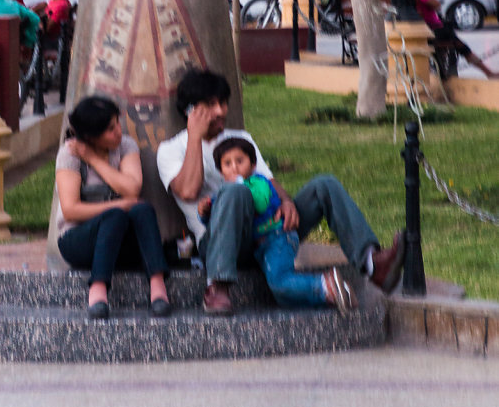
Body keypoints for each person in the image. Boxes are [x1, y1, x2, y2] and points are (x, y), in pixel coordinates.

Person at [156, 68, 405, 315]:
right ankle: (219, 287)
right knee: (236, 192)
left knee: (324, 185)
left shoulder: (239, 138)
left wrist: (286, 202)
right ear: (191, 111)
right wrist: (195, 137)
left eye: (223, 102)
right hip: (223, 247)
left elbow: (267, 180)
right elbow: (188, 190)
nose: (221, 111)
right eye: (211, 105)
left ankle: (373, 264)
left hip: (270, 233)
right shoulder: (170, 150)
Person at [198, 137, 356, 315]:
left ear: (253, 165)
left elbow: (261, 202)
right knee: (281, 291)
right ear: (221, 171)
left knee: (279, 281)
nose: (234, 167)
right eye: (227, 164)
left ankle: (332, 281)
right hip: (244, 246)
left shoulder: (259, 182)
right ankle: (328, 289)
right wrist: (204, 211)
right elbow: (217, 221)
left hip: (276, 240)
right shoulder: (224, 191)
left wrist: (240, 185)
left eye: (240, 161)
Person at [55, 95, 171, 319]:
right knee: (115, 215)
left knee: (142, 210)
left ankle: (158, 288)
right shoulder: (69, 154)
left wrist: (94, 159)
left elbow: (131, 189)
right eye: (110, 129)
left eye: (117, 123)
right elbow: (71, 210)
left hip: (120, 243)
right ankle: (98, 290)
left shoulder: (125, 146)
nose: (118, 131)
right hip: (78, 241)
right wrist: (117, 206)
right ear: (90, 136)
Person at [412, 0, 498, 79]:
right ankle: (488, 73)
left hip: (420, 30)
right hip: (433, 29)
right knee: (462, 47)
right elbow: (436, 4)